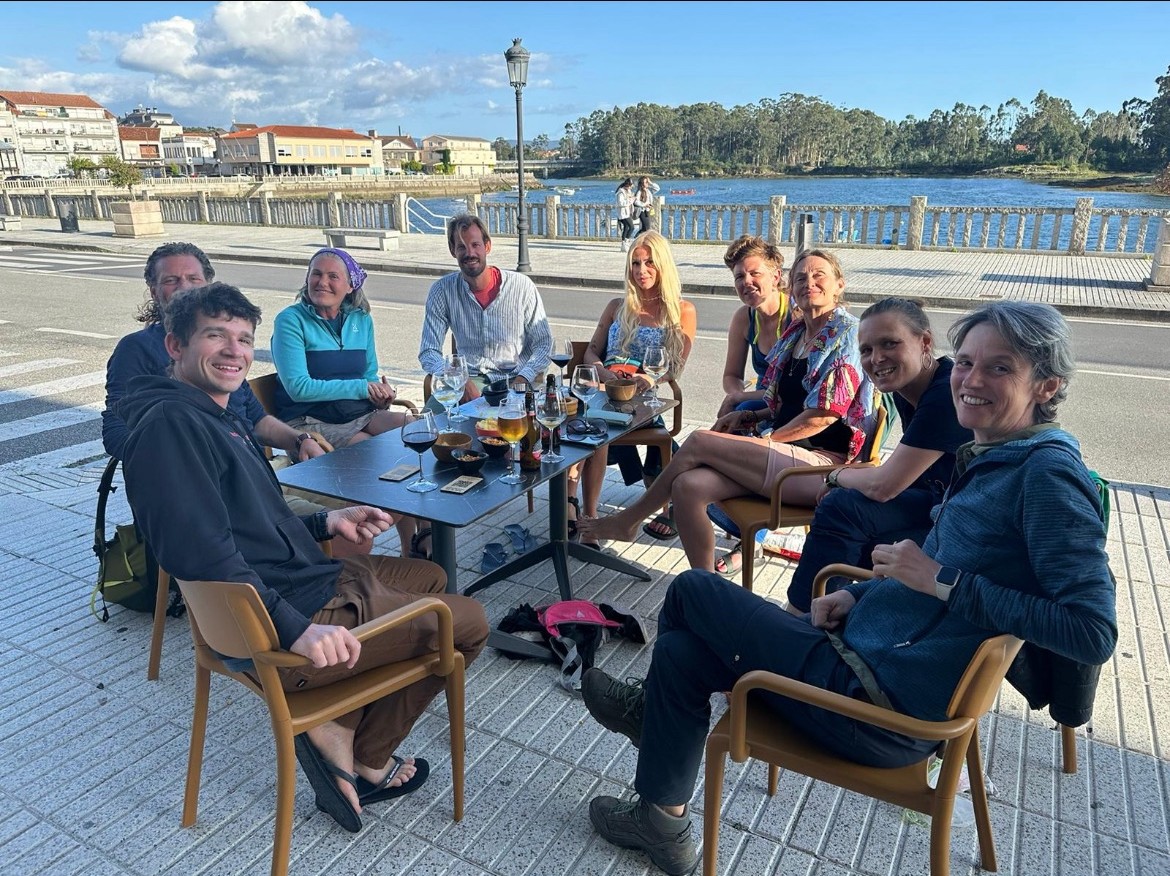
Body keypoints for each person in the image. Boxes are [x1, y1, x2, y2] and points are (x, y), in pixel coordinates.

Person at [580, 299, 1117, 876]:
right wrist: (858, 596)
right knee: (682, 653)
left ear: (1047, 385)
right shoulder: (997, 458)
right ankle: (660, 822)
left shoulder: (1047, 477)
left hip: (877, 709)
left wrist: (940, 581)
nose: (971, 380)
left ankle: (646, 715)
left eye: (1000, 367)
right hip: (867, 662)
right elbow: (932, 576)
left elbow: (1091, 632)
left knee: (693, 592)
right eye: (965, 363)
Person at [118, 282, 489, 833]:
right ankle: (366, 758)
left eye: (244, 339)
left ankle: (338, 722)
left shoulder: (212, 414)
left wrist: (325, 522)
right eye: (215, 336)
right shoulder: (172, 426)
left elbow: (242, 521)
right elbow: (202, 551)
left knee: (429, 574)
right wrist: (295, 631)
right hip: (284, 619)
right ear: (174, 345)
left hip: (296, 579)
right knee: (470, 624)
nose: (234, 351)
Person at [579, 249, 876, 573]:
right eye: (801, 277)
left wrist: (766, 441)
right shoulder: (799, 335)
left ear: (839, 286)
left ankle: (627, 521)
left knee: (700, 440)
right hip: (782, 457)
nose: (809, 283)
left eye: (819, 276)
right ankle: (704, 584)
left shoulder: (847, 334)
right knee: (687, 487)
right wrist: (751, 417)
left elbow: (823, 414)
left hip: (819, 467)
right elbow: (785, 403)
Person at [782, 297, 973, 609]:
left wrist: (835, 475)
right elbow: (906, 474)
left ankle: (802, 617)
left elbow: (885, 486)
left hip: (964, 525)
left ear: (924, 342)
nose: (876, 358)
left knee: (845, 514)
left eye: (890, 344)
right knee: (845, 520)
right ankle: (820, 614)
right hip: (941, 501)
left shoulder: (943, 395)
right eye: (866, 350)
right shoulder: (908, 388)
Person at [102, 241, 325, 464]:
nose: (184, 287)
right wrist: (181, 462)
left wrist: (300, 439)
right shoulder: (136, 349)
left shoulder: (227, 350)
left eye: (193, 279)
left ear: (208, 284)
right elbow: (116, 429)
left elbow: (256, 419)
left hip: (258, 470)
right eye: (171, 280)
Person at [271, 247, 422, 558]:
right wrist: (361, 387)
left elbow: (368, 374)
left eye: (332, 276)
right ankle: (381, 543)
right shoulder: (290, 321)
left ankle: (417, 543)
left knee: (416, 432)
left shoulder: (360, 320)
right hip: (309, 419)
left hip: (354, 412)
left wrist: (382, 393)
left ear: (350, 285)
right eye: (316, 273)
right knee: (380, 452)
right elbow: (299, 388)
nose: (322, 282)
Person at [569, 232, 696, 548]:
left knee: (592, 427)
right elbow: (591, 352)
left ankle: (582, 515)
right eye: (636, 263)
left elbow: (675, 366)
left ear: (663, 265)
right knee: (583, 424)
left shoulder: (681, 310)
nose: (642, 270)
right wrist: (600, 370)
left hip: (640, 398)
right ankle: (580, 511)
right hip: (601, 387)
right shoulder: (616, 305)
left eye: (650, 262)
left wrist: (651, 379)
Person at [418, 214, 553, 400]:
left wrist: (525, 376)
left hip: (515, 379)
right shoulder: (442, 291)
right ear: (452, 250)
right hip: (468, 380)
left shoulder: (522, 286)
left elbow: (544, 344)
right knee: (430, 425)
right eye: (461, 247)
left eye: (475, 245)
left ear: (487, 246)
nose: (469, 253)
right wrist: (458, 378)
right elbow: (428, 351)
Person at [715, 235, 792, 418]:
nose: (746, 282)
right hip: (761, 399)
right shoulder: (745, 318)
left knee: (740, 412)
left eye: (755, 273)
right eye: (739, 276)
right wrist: (736, 395)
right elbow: (731, 376)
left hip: (792, 404)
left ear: (776, 276)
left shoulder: (796, 315)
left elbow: (793, 390)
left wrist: (738, 400)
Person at [615, 177, 636, 252]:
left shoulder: (628, 191)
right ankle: (626, 242)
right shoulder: (621, 192)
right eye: (631, 185)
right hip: (623, 213)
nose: (631, 187)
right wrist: (630, 200)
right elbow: (621, 203)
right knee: (631, 227)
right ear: (628, 185)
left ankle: (624, 244)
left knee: (626, 227)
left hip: (628, 212)